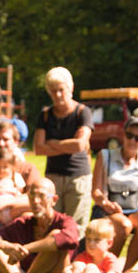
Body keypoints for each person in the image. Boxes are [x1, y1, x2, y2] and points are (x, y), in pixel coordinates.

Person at [90, 116, 138, 271]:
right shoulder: (105, 156)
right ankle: (107, 270)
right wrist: (106, 203)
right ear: (123, 135)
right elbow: (96, 192)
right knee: (123, 225)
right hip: (107, 210)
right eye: (129, 135)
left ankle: (125, 271)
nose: (132, 141)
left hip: (133, 211)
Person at [33, 67, 93, 233]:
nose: (58, 94)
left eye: (61, 89)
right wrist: (68, 146)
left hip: (78, 178)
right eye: (53, 91)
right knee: (51, 223)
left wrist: (52, 143)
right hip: (53, 177)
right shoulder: (45, 115)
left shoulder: (83, 112)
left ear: (70, 88)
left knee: (76, 228)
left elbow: (80, 145)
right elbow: (38, 148)